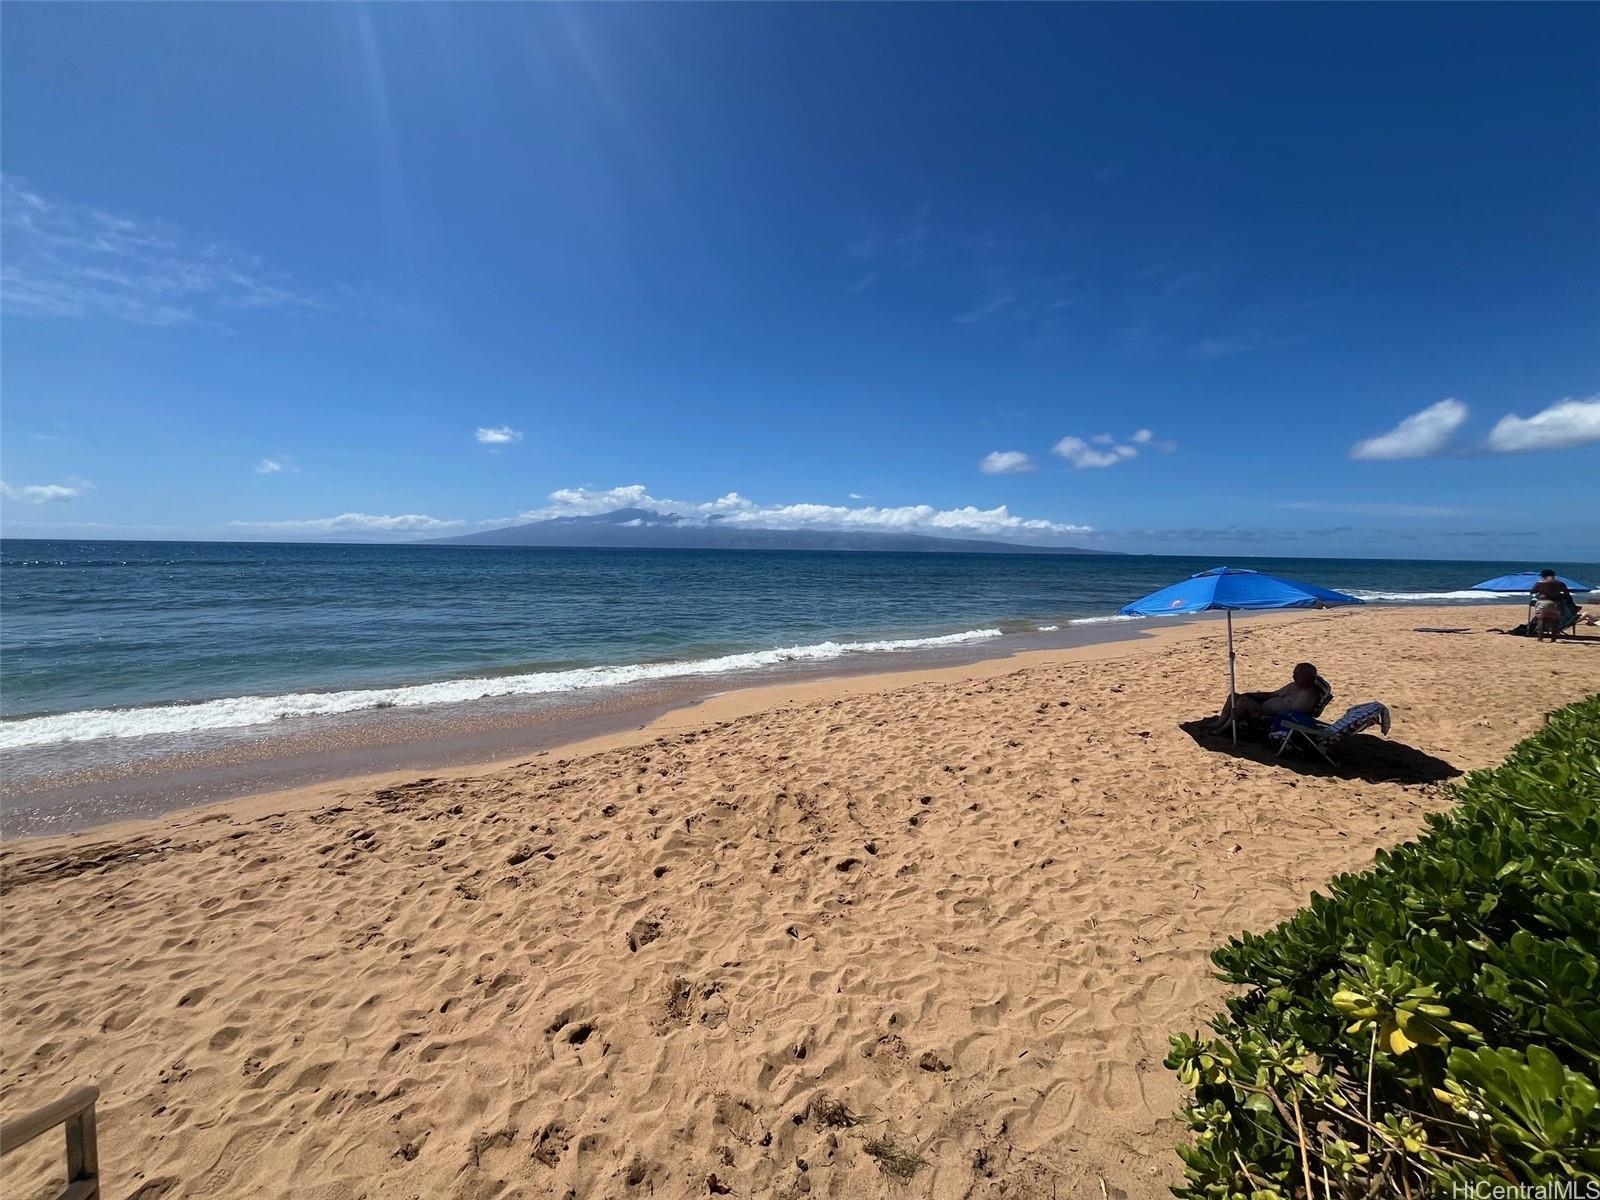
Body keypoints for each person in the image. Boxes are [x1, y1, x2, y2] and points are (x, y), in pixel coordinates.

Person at [1207, 662, 1324, 733]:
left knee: (1244, 702)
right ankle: (1220, 722)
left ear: (1307, 677)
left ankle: (1225, 727)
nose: (1293, 676)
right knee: (1234, 696)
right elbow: (1273, 694)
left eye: (1297, 674)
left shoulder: (1308, 695)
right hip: (1265, 706)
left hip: (1271, 716)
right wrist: (1251, 694)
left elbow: (1291, 715)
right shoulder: (1294, 686)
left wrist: (1266, 709)